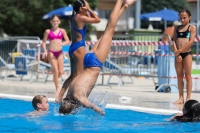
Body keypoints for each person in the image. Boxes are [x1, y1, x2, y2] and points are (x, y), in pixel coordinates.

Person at [58, 0, 136, 115]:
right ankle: (125, 6)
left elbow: (97, 109)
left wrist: (101, 113)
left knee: (110, 29)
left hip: (94, 63)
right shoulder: (69, 94)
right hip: (87, 59)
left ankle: (120, 2)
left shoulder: (78, 98)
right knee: (108, 31)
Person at [56, 0, 101, 102]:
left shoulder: (73, 18)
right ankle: (70, 97)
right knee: (78, 76)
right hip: (79, 48)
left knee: (73, 75)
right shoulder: (80, 17)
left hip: (73, 48)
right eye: (85, 6)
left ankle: (60, 96)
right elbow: (97, 20)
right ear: (81, 8)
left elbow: (91, 19)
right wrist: (89, 9)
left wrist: (86, 9)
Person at [41, 15, 71, 97]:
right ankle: (57, 88)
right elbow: (43, 42)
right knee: (56, 70)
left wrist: (63, 43)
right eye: (54, 21)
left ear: (59, 22)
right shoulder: (47, 31)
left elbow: (68, 40)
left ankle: (55, 80)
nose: (55, 22)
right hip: (51, 52)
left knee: (61, 72)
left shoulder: (62, 30)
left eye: (57, 21)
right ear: (51, 22)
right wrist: (44, 51)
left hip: (60, 52)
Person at [173, 9, 196, 104]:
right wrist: (176, 53)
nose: (182, 20)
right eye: (181, 18)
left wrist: (179, 51)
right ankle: (181, 97)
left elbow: (191, 41)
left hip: (187, 54)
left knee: (188, 76)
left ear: (189, 17)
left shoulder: (192, 27)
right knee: (179, 76)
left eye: (184, 18)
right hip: (178, 54)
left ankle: (188, 98)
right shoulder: (177, 28)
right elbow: (174, 40)